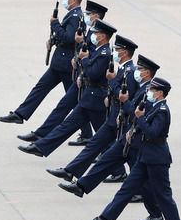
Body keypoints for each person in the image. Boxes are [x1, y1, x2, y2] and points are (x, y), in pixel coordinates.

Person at [81, 77, 181, 220]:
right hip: (145, 157)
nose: (149, 92)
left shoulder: (163, 111)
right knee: (126, 188)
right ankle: (105, 217)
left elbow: (152, 132)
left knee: (164, 197)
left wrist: (140, 119)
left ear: (160, 93)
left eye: (152, 90)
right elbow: (138, 116)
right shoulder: (155, 106)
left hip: (157, 160)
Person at [46, 35, 138, 183]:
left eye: (118, 50)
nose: (114, 52)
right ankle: (71, 172)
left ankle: (137, 186)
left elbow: (126, 95)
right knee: (94, 146)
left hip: (122, 120)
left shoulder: (130, 71)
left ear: (125, 52)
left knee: (130, 155)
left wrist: (112, 81)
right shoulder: (123, 69)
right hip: (114, 115)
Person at [18, 19, 115, 157]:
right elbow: (90, 69)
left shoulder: (105, 53)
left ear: (103, 36)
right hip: (89, 97)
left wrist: (84, 59)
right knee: (66, 126)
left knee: (103, 137)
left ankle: (117, 169)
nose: (94, 35)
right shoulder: (99, 50)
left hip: (96, 98)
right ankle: (41, 148)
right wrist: (81, 72)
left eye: (97, 33)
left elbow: (94, 73)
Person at [0, 0, 87, 125]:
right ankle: (20, 114)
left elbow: (70, 39)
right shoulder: (73, 15)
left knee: (73, 100)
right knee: (40, 88)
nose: (65, 0)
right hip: (59, 62)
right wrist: (54, 40)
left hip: (66, 65)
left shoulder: (76, 16)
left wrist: (55, 24)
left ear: (74, 0)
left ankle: (87, 132)